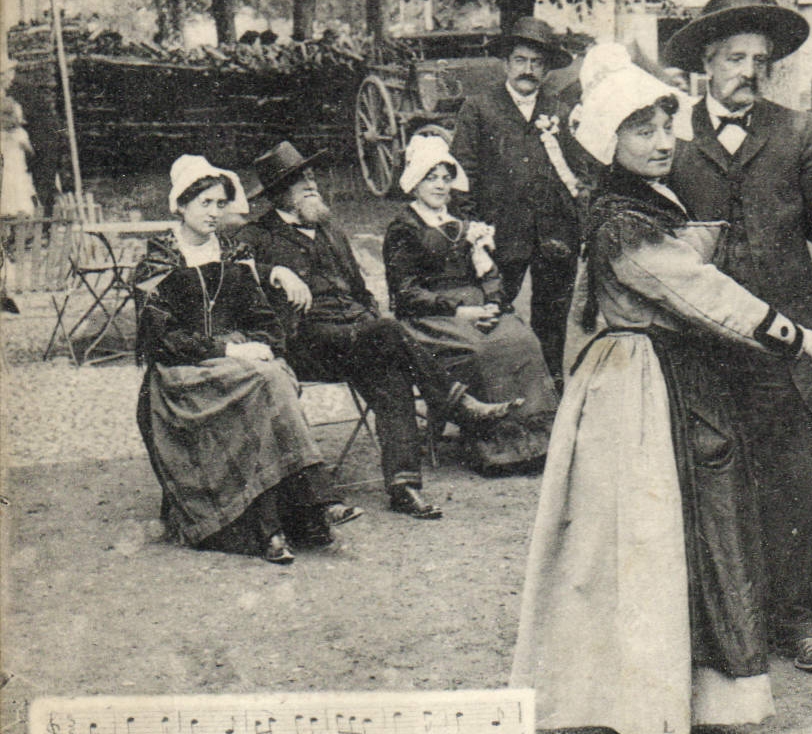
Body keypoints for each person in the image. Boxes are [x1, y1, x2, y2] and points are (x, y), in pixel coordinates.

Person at [508, 44, 812, 734]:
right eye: (641, 132)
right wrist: (792, 335)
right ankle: (641, 723)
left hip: (660, 378)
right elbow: (695, 291)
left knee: (671, 544)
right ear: (607, 143)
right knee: (642, 548)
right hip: (637, 390)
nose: (662, 142)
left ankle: (666, 705)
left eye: (665, 127)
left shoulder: (644, 203)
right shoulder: (622, 218)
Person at [662, 0, 812, 674]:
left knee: (793, 482)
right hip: (704, 341)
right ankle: (724, 625)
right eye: (735, 58)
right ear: (706, 64)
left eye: (759, 59)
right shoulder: (672, 136)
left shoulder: (799, 132)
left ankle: (799, 622)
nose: (749, 70)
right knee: (711, 483)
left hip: (788, 340)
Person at [236, 141, 518, 520]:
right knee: (387, 333)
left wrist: (366, 316)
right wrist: (275, 272)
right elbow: (232, 268)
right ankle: (455, 403)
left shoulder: (329, 228)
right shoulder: (257, 237)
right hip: (305, 345)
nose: (311, 185)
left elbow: (360, 290)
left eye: (311, 177)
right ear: (277, 194)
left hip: (357, 336)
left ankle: (405, 488)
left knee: (391, 366)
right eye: (299, 182)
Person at [133, 155, 361, 565]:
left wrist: (257, 344)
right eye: (204, 203)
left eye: (220, 203)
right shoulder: (158, 261)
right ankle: (309, 506)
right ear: (180, 206)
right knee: (267, 381)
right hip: (181, 374)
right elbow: (161, 338)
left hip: (236, 366)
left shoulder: (234, 252)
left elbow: (263, 319)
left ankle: (280, 523)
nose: (214, 213)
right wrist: (229, 351)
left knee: (268, 374)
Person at [383, 132, 560, 474]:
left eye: (445, 178)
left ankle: (539, 444)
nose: (439, 186)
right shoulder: (403, 228)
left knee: (522, 340)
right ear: (415, 183)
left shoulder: (464, 225)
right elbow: (405, 293)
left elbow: (489, 273)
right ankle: (496, 448)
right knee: (481, 351)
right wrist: (459, 311)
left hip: (479, 307)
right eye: (430, 178)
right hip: (431, 317)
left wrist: (494, 301)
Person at [451, 17, 584, 380]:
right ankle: (492, 393)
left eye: (536, 63)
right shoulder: (479, 108)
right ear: (507, 63)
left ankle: (550, 395)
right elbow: (462, 174)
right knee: (491, 313)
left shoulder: (560, 111)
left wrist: (575, 223)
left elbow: (580, 172)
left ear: (546, 68)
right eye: (521, 60)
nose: (528, 70)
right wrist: (471, 229)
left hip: (554, 236)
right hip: (499, 233)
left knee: (552, 321)